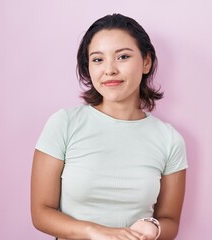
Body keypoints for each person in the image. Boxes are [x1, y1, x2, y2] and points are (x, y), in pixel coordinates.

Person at [31, 13, 188, 240]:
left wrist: (153, 227)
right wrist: (95, 232)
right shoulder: (63, 124)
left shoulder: (169, 139)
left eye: (122, 56)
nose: (110, 69)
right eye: (97, 59)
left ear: (146, 62)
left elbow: (169, 221)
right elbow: (41, 213)